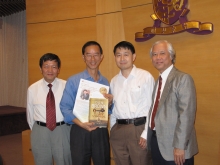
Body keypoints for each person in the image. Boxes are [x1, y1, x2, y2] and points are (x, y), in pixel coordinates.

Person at [60, 41, 112, 165]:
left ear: (101, 57)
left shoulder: (105, 82)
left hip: (100, 130)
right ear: (83, 57)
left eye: (96, 55)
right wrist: (82, 124)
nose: (92, 59)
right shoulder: (73, 80)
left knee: (103, 162)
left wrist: (109, 103)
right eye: (88, 55)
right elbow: (64, 107)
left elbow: (108, 110)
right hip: (79, 130)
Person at [147, 40, 198, 165]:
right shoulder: (158, 80)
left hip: (175, 147)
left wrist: (180, 146)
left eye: (162, 53)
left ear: (171, 56)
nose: (158, 57)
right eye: (154, 54)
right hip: (157, 142)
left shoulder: (182, 79)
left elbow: (187, 115)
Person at [109, 41, 155, 165]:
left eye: (126, 54)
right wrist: (112, 130)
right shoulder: (113, 81)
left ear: (133, 57)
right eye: (118, 55)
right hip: (118, 131)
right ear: (115, 58)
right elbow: (114, 110)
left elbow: (153, 107)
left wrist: (146, 133)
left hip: (138, 129)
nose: (122, 58)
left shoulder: (145, 76)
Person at [26, 53, 72, 165]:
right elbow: (30, 113)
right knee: (42, 161)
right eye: (46, 66)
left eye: (54, 66)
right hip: (40, 131)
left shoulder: (67, 86)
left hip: (62, 129)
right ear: (40, 69)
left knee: (64, 161)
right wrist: (39, 129)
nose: (50, 70)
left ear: (58, 69)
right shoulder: (32, 88)